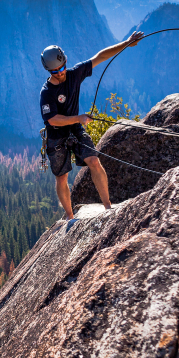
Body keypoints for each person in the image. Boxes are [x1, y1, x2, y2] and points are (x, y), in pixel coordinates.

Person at [39, 31, 144, 220]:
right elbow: (52, 119)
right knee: (61, 177)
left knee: (94, 161)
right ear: (48, 71)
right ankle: (70, 218)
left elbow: (100, 57)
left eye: (62, 68)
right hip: (56, 135)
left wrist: (126, 43)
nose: (60, 72)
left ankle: (108, 207)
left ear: (65, 62)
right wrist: (78, 118)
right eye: (55, 71)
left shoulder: (74, 75)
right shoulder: (46, 92)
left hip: (75, 130)